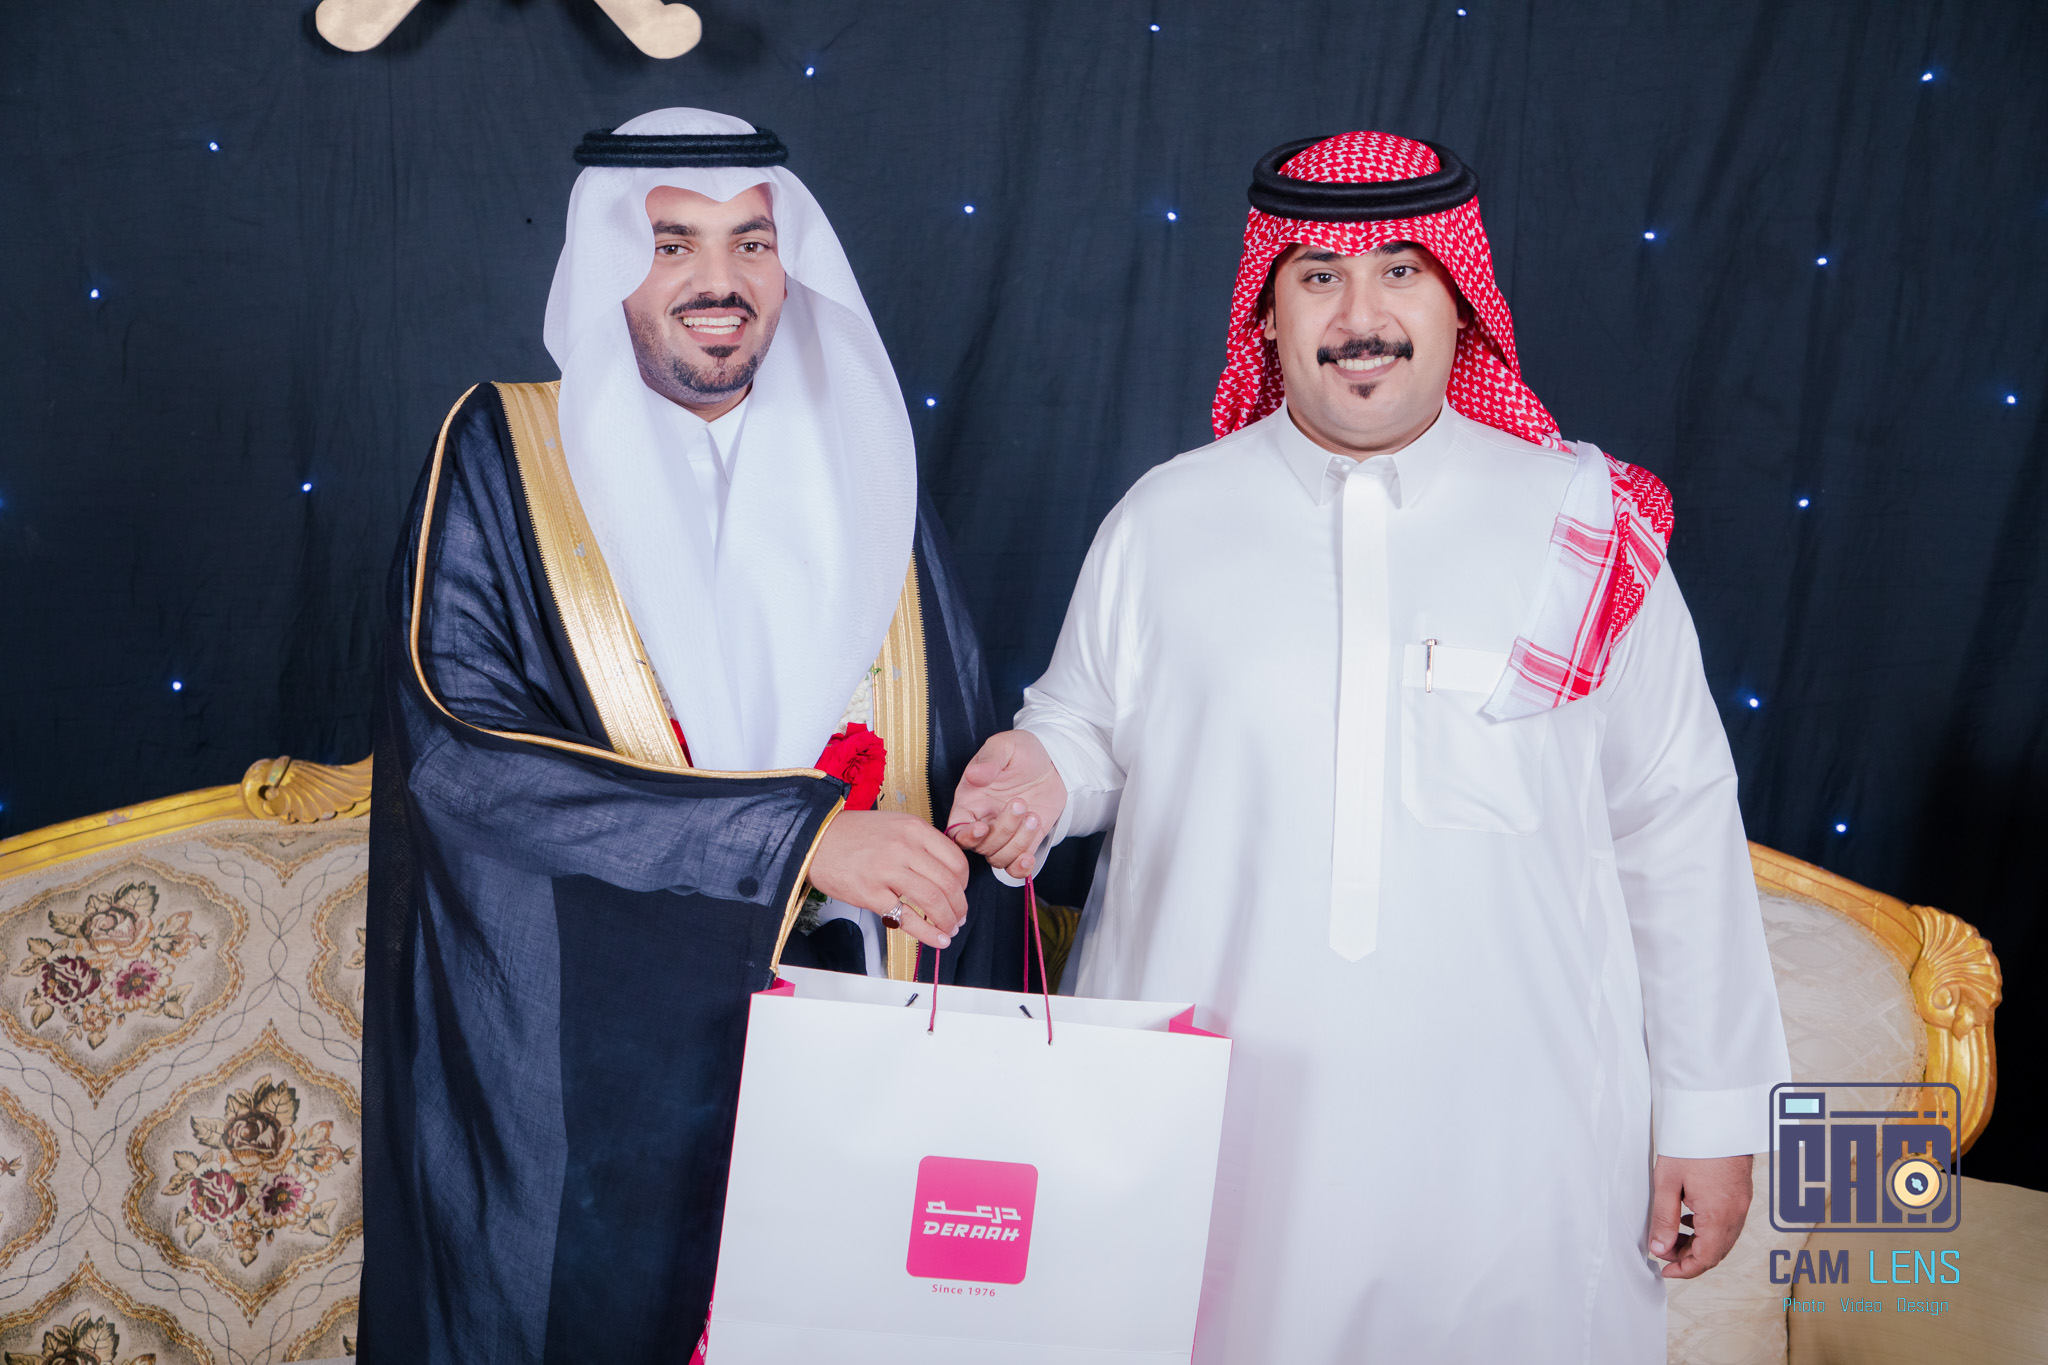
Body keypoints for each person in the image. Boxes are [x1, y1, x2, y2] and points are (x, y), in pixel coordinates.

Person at [948, 132, 1790, 1363]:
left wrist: (1710, 1116)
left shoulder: (1585, 529)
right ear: (1267, 317)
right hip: (1208, 1114)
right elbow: (1086, 731)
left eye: (1400, 272)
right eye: (1318, 278)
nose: (1360, 317)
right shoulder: (1166, 517)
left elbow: (1672, 822)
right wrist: (1042, 771)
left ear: (1458, 304)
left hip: (1515, 1140)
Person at [362, 108, 1019, 1362]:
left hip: (850, 1017)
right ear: (609, 265)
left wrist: (999, 800)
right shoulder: (506, 449)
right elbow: (457, 756)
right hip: (594, 1023)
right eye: (673, 244)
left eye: (751, 244)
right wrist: (794, 839)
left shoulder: (863, 458)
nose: (719, 281)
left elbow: (944, 726)